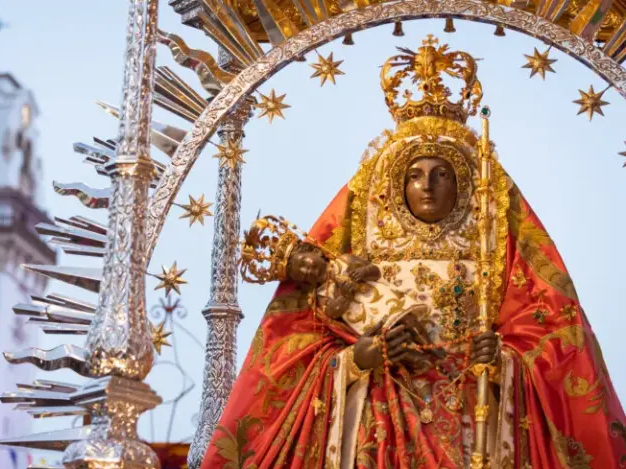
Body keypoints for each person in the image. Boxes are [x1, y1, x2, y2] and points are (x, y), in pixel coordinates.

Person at [200, 36, 626, 468]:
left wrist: (503, 362)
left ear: (464, 183)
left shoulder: (493, 246)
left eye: (442, 174)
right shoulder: (353, 251)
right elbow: (298, 348)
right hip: (382, 428)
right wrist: (355, 360)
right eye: (415, 174)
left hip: (470, 424)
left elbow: (553, 337)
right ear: (395, 183)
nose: (427, 185)